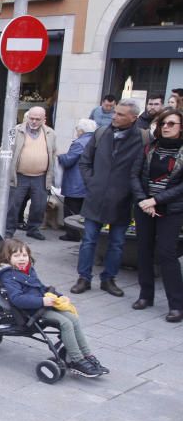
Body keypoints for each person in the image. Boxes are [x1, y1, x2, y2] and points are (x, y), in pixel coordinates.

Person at [0, 238, 107, 378]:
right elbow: (17, 299)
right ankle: (77, 361)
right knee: (65, 323)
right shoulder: (8, 276)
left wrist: (59, 296)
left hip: (43, 304)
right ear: (7, 258)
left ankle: (87, 355)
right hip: (31, 311)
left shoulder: (28, 269)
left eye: (24, 255)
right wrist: (42, 301)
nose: (22, 259)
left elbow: (41, 288)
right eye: (16, 256)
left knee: (73, 318)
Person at [71, 99, 146, 297]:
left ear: (133, 118)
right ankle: (84, 278)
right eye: (115, 112)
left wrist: (131, 192)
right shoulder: (101, 133)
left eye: (121, 115)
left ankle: (108, 279)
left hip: (122, 201)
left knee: (117, 243)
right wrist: (92, 183)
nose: (115, 116)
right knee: (88, 240)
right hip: (96, 197)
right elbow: (85, 162)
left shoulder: (142, 139)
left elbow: (142, 170)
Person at [131, 108, 183, 322]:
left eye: (172, 124)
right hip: (145, 207)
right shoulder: (149, 148)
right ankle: (146, 295)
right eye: (163, 123)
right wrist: (144, 201)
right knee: (143, 250)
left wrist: (156, 200)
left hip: (171, 209)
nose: (166, 127)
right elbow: (134, 175)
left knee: (166, 253)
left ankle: (177, 305)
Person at [5, 106, 56, 240]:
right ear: (27, 117)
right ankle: (9, 229)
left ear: (44, 119)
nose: (33, 121)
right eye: (31, 118)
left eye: (37, 119)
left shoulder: (50, 133)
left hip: (41, 176)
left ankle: (33, 229)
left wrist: (51, 175)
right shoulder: (15, 131)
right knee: (13, 205)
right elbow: (4, 149)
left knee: (39, 205)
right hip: (19, 175)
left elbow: (54, 152)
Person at [57, 119, 97, 242]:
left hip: (76, 182)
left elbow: (69, 160)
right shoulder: (97, 140)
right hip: (89, 181)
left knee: (71, 209)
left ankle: (72, 234)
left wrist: (59, 156)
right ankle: (83, 233)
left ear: (80, 130)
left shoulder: (79, 143)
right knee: (84, 210)